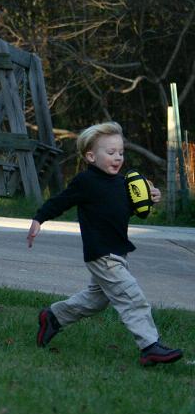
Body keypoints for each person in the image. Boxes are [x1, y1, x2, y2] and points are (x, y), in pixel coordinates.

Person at [27, 121, 183, 366]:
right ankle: (150, 347)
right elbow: (60, 201)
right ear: (91, 156)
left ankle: (54, 317)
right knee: (131, 296)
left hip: (118, 252)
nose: (118, 157)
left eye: (121, 152)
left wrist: (150, 199)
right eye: (111, 152)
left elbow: (130, 211)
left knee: (97, 300)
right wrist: (39, 218)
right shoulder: (86, 182)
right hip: (102, 254)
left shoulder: (122, 183)